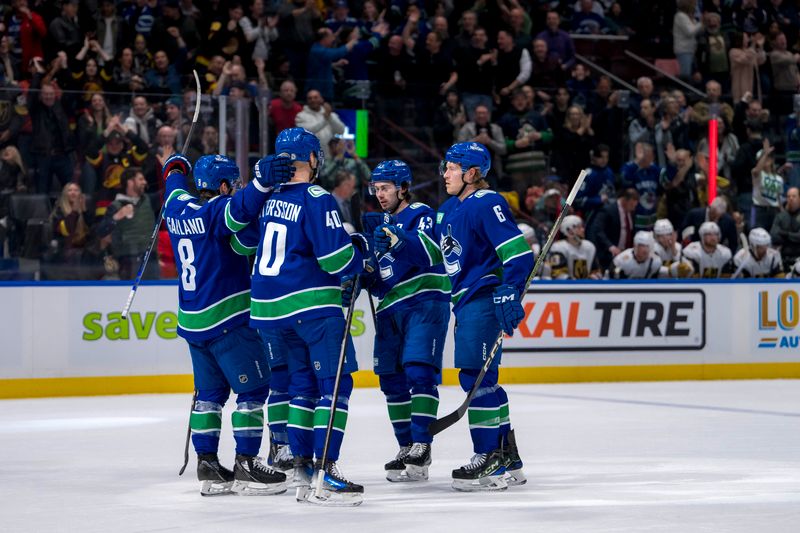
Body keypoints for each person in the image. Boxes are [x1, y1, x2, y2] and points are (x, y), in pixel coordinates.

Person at [375, 142, 533, 491]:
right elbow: (429, 254)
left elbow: (519, 254)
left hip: (483, 296)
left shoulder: (487, 202)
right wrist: (397, 240)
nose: (444, 173)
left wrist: (511, 287)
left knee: (476, 378)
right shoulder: (447, 209)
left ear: (472, 173)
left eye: (451, 168)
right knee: (483, 378)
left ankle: (488, 458)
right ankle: (508, 456)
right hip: (463, 301)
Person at [160, 151, 291, 496]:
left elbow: (172, 180)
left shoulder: (176, 206)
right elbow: (241, 210)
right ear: (221, 186)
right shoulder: (216, 210)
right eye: (232, 184)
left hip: (192, 322)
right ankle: (246, 463)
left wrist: (175, 165)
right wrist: (262, 183)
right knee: (252, 391)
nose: (236, 189)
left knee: (210, 395)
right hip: (227, 320)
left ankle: (207, 465)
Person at [250, 127, 368, 506]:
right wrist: (359, 255)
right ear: (313, 160)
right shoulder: (317, 197)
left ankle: (302, 472)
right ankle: (326, 473)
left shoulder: (268, 198)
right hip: (312, 306)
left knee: (300, 387)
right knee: (334, 388)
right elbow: (336, 259)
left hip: (272, 311)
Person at [364, 160, 450, 483]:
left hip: (424, 302)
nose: (380, 194)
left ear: (403, 187)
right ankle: (405, 449)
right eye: (376, 188)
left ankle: (421, 445)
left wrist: (400, 239)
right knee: (391, 379)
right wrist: (364, 276)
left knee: (419, 371)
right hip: (389, 308)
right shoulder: (379, 224)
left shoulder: (422, 214)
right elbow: (381, 275)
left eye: (386, 188)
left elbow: (433, 253)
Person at [95, 167, 157, 280]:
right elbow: (101, 231)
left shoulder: (150, 200)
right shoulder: (115, 206)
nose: (145, 182)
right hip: (127, 260)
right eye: (141, 179)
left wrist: (170, 169)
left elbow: (169, 192)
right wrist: (117, 216)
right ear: (130, 182)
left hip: (150, 259)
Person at [587, 188, 639, 270]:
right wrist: (610, 246)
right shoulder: (608, 209)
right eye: (632, 205)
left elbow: (632, 231)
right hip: (608, 255)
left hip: (626, 255)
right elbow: (598, 230)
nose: (634, 208)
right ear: (624, 200)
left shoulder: (631, 212)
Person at [548, 215, 601, 279]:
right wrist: (575, 284)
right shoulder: (558, 248)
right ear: (569, 230)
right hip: (565, 288)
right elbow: (558, 274)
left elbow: (596, 271)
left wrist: (593, 278)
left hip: (586, 287)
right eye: (579, 227)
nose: (583, 230)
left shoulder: (589, 246)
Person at [770, 186, 800, 271]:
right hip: (783, 257)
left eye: (794, 196)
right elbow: (773, 236)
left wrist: (785, 234)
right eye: (788, 196)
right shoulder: (780, 216)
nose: (791, 199)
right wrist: (793, 237)